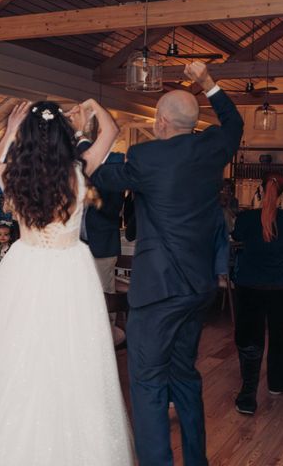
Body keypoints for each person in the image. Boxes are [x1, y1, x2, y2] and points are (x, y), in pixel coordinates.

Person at [0, 100, 134, 465]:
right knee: (70, 355)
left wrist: (10, 128)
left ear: (26, 137)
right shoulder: (78, 172)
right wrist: (93, 106)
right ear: (65, 135)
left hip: (24, 267)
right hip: (69, 270)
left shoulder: (13, 173)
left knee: (14, 351)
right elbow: (111, 132)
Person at [91, 62, 243, 466]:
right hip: (197, 290)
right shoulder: (212, 148)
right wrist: (208, 83)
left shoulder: (147, 157)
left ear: (159, 122)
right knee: (185, 377)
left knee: (148, 385)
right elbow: (234, 123)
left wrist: (75, 142)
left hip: (158, 292)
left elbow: (99, 177)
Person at [231, 173, 283, 415]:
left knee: (250, 339)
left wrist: (258, 207)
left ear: (260, 192)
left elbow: (238, 236)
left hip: (250, 285)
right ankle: (278, 383)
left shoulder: (245, 219)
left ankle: (248, 396)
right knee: (279, 332)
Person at [72, 118, 125, 293]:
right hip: (77, 246)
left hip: (102, 245)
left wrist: (81, 138)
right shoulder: (78, 171)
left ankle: (107, 321)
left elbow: (111, 208)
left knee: (103, 293)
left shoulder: (115, 165)